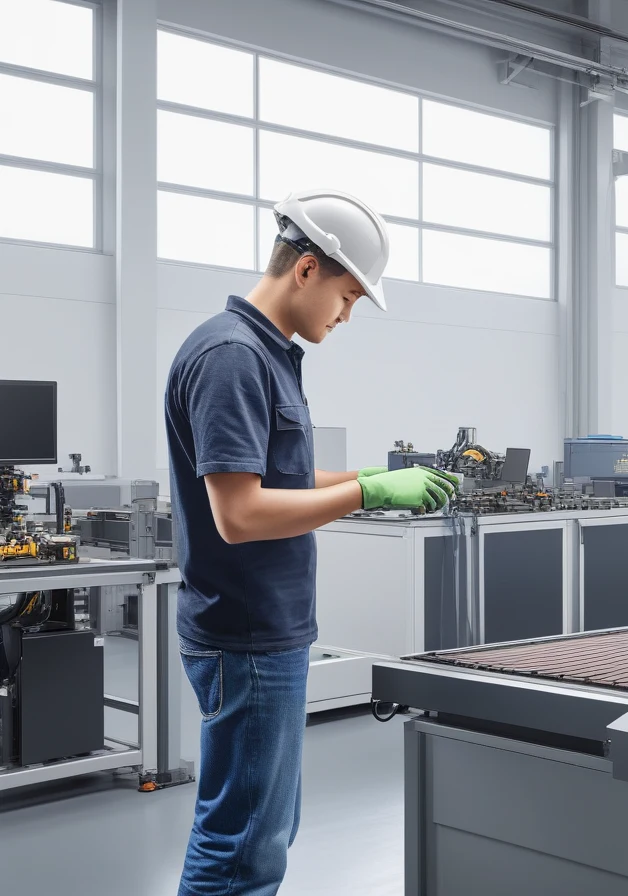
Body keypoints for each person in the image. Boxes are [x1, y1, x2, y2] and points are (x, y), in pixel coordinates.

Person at [164, 188, 457, 895]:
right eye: (348, 296)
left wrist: (372, 475)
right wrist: (367, 495)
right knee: (242, 844)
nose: (347, 315)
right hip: (247, 632)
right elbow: (238, 513)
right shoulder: (234, 357)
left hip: (265, 629)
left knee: (263, 829)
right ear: (305, 270)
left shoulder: (264, 353)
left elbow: (280, 476)